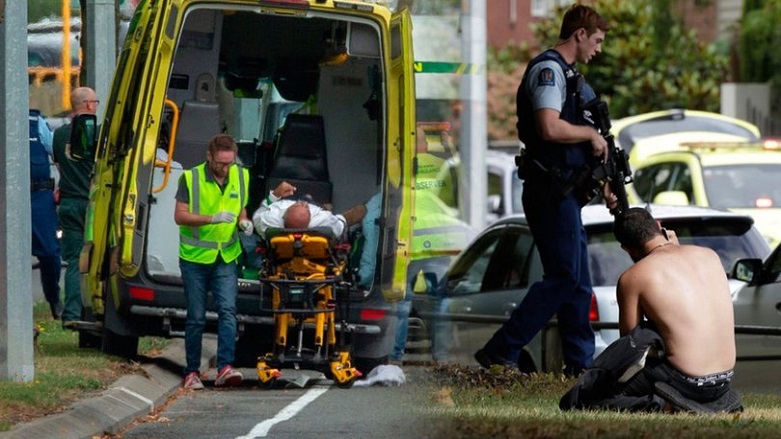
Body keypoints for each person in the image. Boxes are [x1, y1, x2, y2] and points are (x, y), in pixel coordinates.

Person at [475, 4, 610, 377]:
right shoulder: (549, 71)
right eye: (596, 40)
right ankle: (502, 349)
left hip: (563, 193)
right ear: (579, 34)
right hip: (548, 191)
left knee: (578, 282)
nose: (598, 49)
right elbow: (549, 128)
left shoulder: (570, 77)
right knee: (565, 276)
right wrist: (590, 134)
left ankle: (580, 366)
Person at [559, 208, 741, 413]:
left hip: (686, 382)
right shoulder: (710, 256)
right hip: (724, 382)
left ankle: (662, 405)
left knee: (588, 399)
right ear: (659, 227)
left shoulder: (634, 277)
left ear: (627, 249)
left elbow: (629, 346)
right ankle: (703, 403)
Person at [174, 133, 254, 390]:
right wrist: (211, 219)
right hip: (194, 258)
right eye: (221, 163)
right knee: (196, 316)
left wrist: (244, 222)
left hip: (226, 256)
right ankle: (192, 372)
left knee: (228, 311)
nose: (226, 168)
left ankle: (225, 367)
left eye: (230, 163)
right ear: (209, 157)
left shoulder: (241, 175)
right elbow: (180, 216)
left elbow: (241, 207)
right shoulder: (191, 178)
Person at [53, 87, 99, 327]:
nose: (97, 105)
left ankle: (70, 314)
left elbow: (60, 165)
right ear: (89, 105)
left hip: (69, 203)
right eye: (96, 101)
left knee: (73, 260)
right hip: (90, 204)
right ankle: (91, 311)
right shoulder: (96, 133)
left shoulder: (59, 135)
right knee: (95, 259)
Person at [30, 109, 63, 320]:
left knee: (50, 252)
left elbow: (56, 154)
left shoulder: (35, 122)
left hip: (38, 196)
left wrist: (65, 184)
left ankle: (53, 298)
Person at [252, 181, 367, 237]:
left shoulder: (269, 221)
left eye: (297, 204)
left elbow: (260, 211)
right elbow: (340, 225)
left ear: (284, 214)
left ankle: (310, 199)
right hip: (322, 211)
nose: (302, 204)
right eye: (305, 206)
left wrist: (275, 195)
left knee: (307, 197)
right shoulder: (323, 221)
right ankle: (322, 204)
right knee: (359, 211)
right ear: (310, 219)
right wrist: (340, 219)